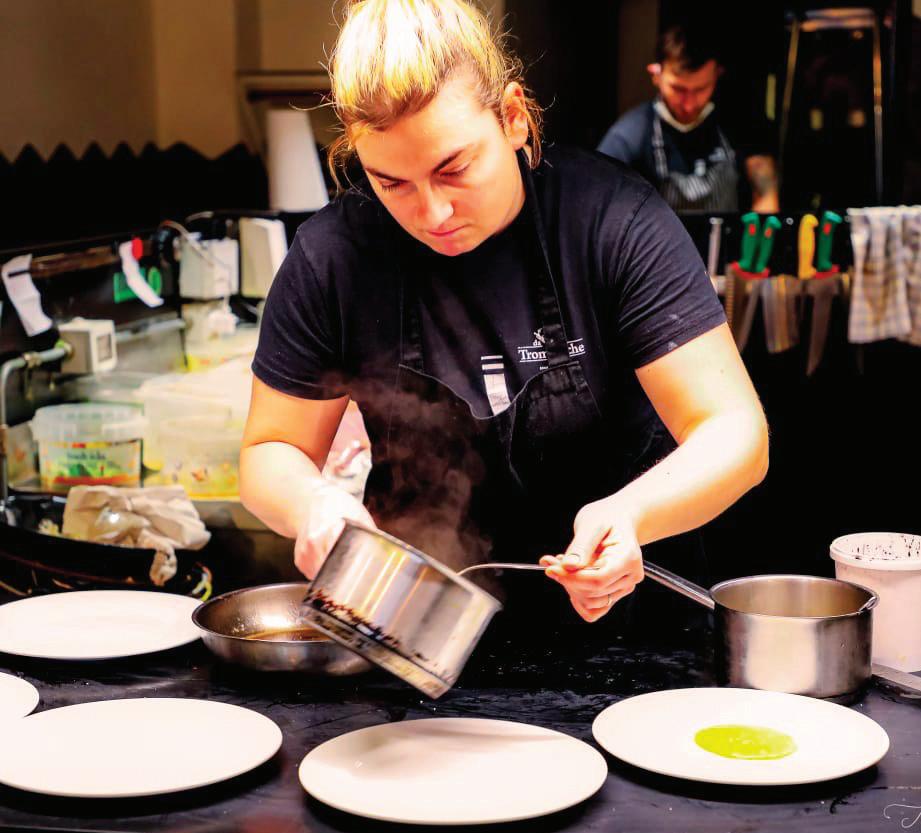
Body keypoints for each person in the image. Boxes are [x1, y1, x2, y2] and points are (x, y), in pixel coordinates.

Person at [240, 0, 768, 629]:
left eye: (454, 168)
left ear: (514, 117)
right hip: (416, 631)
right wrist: (313, 504)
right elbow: (270, 449)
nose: (432, 213)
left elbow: (735, 432)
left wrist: (631, 513)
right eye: (391, 183)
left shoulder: (613, 222)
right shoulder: (334, 257)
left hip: (631, 627)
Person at [597, 23, 779, 214]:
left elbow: (766, 196)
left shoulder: (741, 123)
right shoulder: (628, 136)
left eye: (700, 89)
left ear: (717, 75)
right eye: (678, 89)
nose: (689, 104)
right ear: (656, 75)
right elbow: (599, 204)